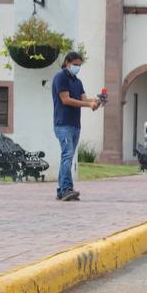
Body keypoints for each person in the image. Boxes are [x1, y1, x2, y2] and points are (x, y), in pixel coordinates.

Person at [51, 50, 99, 202]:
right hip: (63, 123)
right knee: (67, 155)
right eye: (75, 65)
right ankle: (66, 189)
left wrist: (96, 102)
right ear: (67, 63)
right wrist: (88, 104)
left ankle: (61, 190)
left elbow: (85, 100)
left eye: (79, 65)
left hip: (75, 124)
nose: (77, 67)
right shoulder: (60, 77)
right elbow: (66, 100)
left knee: (68, 157)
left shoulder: (77, 82)